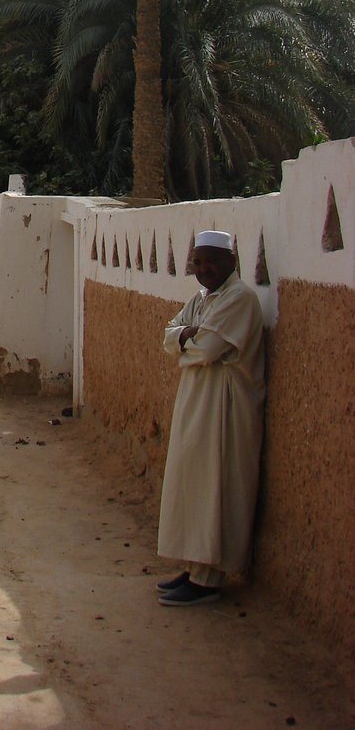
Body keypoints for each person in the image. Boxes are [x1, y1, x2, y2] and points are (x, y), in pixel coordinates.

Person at [156, 230, 265, 607]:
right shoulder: (204, 299)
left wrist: (187, 341)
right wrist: (189, 336)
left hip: (225, 408)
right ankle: (193, 565)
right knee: (192, 481)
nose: (203, 269)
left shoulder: (240, 299)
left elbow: (208, 349)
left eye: (211, 261)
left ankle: (209, 578)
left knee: (215, 485)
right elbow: (170, 335)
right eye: (197, 263)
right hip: (197, 401)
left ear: (231, 262)